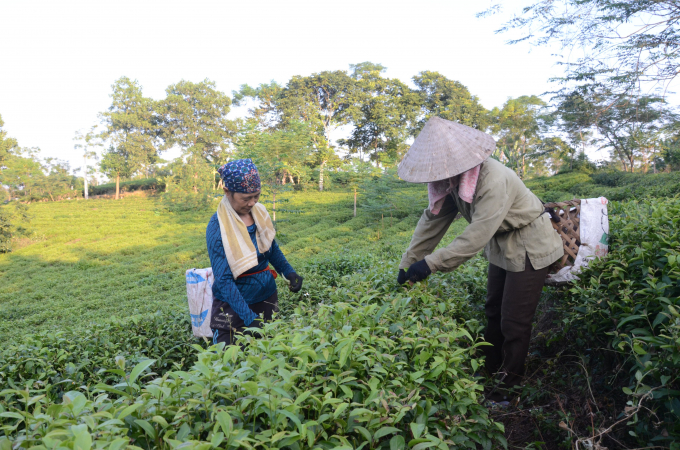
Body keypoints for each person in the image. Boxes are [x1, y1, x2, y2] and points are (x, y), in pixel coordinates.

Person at [396, 117, 563, 405]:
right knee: (492, 311)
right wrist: (408, 263)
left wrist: (430, 264)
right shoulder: (451, 183)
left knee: (514, 321)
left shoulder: (493, 179)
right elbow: (432, 222)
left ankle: (507, 390)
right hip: (500, 246)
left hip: (528, 245)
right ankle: (489, 372)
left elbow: (476, 235)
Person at [206, 158, 303, 346]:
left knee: (268, 355)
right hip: (233, 305)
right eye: (246, 198)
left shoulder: (259, 213)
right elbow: (224, 280)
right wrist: (250, 319)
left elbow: (270, 248)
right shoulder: (217, 228)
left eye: (256, 196)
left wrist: (289, 272)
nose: (252, 203)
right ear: (228, 192)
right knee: (228, 363)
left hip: (265, 297)